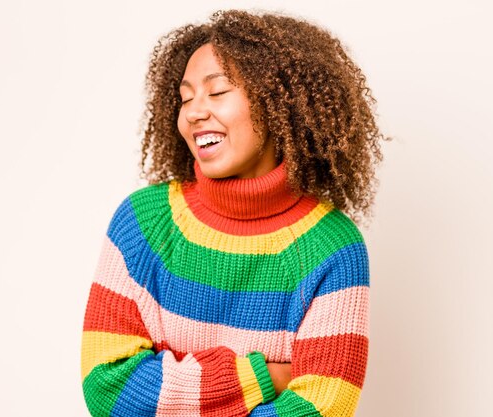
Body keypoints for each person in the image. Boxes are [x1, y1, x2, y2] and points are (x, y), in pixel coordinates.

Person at [81, 9, 388, 417]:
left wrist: (172, 392)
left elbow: (322, 409)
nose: (193, 112)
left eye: (218, 91)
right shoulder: (143, 223)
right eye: (186, 97)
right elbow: (109, 390)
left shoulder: (332, 248)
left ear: (280, 102)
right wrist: (264, 377)